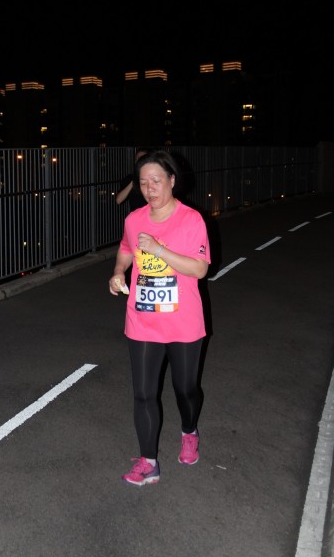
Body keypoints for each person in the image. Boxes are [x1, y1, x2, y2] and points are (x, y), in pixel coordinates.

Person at [109, 149, 211, 486]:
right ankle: (148, 461)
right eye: (143, 183)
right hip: (143, 319)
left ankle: (189, 430)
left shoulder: (191, 220)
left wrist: (159, 250)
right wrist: (119, 272)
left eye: (156, 180)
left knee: (185, 389)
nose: (149, 188)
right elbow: (126, 248)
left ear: (172, 180)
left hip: (183, 323)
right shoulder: (134, 219)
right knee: (143, 393)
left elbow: (199, 268)